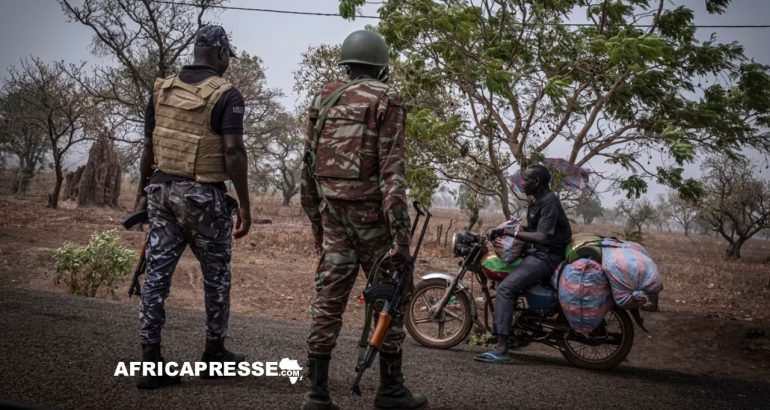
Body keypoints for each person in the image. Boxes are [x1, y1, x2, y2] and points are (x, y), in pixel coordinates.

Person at [300, 30, 428, 410]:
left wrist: (317, 223)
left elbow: (306, 167)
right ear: (382, 66)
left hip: (333, 215)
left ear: (347, 63)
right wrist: (401, 238)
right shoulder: (387, 97)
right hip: (373, 220)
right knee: (393, 293)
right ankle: (390, 391)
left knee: (328, 299)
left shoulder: (323, 97)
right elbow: (393, 174)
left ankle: (317, 394)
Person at [133, 25, 251, 389]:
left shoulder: (162, 90)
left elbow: (150, 148)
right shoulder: (228, 96)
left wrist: (141, 192)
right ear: (219, 54)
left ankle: (150, 362)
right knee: (216, 276)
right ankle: (214, 355)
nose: (228, 61)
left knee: (156, 276)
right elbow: (232, 151)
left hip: (162, 192)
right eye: (228, 54)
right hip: (203, 199)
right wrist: (245, 204)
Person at [474, 164, 572, 364]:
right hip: (538, 253)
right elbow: (535, 228)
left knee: (506, 289)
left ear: (537, 182)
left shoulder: (549, 201)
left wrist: (511, 233)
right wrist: (506, 227)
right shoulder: (538, 201)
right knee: (504, 283)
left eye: (526, 180)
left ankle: (502, 350)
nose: (523, 183)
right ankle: (514, 333)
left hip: (546, 257)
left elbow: (542, 236)